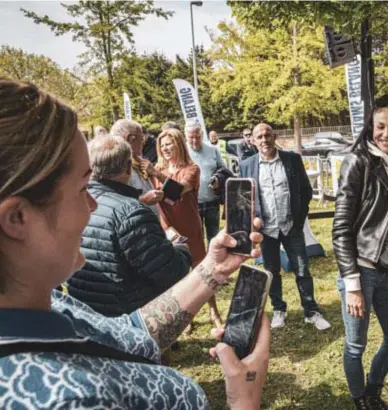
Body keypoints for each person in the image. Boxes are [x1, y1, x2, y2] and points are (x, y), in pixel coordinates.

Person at [0, 78, 269, 410]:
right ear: (17, 219)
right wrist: (244, 402)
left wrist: (213, 269)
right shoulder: (64, 399)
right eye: (84, 189)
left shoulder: (45, 300)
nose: (94, 206)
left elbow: (130, 333)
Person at [333, 95, 388, 410]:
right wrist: (352, 284)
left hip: (387, 269)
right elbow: (340, 229)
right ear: (371, 125)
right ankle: (361, 401)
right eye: (381, 126)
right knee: (356, 345)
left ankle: (372, 391)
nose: (386, 133)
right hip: (360, 271)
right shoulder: (358, 161)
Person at [66, 134, 190, 316]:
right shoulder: (131, 212)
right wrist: (182, 250)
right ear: (127, 169)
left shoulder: (70, 204)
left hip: (84, 314)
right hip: (126, 320)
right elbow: (170, 271)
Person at [240, 123, 331, 331]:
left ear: (275, 136)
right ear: (253, 140)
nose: (264, 140)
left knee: (302, 269)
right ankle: (279, 309)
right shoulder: (247, 165)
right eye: (259, 137)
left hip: (291, 228)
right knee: (271, 272)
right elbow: (245, 198)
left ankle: (311, 311)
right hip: (267, 231)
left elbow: (306, 191)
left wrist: (299, 219)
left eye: (267, 135)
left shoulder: (292, 159)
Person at [149, 127, 223, 329]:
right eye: (162, 145)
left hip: (190, 228)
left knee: (201, 272)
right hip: (169, 230)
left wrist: (157, 174)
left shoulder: (192, 169)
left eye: (169, 144)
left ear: (179, 145)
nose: (165, 149)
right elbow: (160, 199)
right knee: (177, 277)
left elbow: (179, 190)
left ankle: (213, 310)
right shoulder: (159, 169)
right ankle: (184, 316)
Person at [110, 119, 163, 217]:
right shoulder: (114, 165)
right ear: (130, 138)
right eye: (141, 139)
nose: (143, 143)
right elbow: (113, 203)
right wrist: (143, 200)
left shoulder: (138, 159)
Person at [187, 123, 225, 244]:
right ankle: (200, 262)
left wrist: (217, 178)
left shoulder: (213, 150)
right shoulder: (182, 151)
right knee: (195, 238)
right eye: (191, 137)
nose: (194, 140)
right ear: (185, 136)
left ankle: (214, 261)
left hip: (212, 202)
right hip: (192, 203)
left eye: (198, 137)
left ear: (202, 135)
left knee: (213, 237)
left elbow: (224, 170)